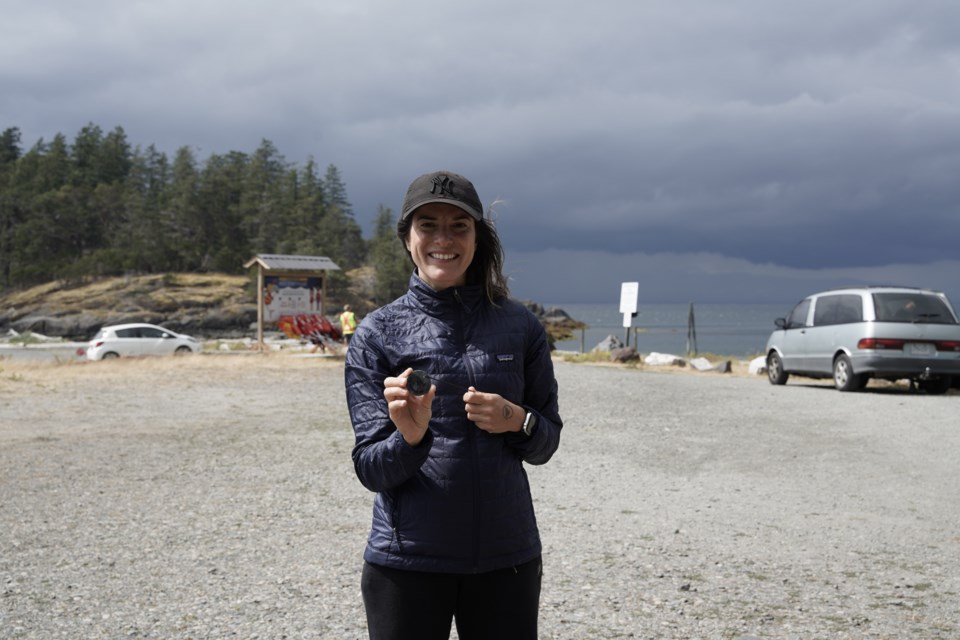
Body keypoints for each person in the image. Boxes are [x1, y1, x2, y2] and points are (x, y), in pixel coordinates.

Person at [344, 170, 563, 640]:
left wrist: (516, 420)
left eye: (459, 226)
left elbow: (546, 442)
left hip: (508, 557)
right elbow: (370, 469)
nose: (443, 239)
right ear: (407, 238)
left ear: (478, 237)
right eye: (428, 225)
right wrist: (410, 437)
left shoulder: (520, 326)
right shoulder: (377, 334)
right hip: (407, 562)